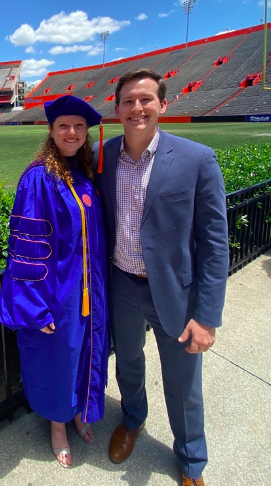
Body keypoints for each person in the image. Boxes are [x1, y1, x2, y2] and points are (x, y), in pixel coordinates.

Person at [93, 69, 229, 486]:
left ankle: (191, 461)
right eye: (129, 101)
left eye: (146, 99)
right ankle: (132, 419)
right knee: (129, 363)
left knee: (183, 382)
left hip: (173, 290)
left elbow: (215, 244)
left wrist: (207, 316)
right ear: (116, 109)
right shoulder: (103, 156)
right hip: (122, 284)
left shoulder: (196, 158)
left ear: (163, 105)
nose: (137, 108)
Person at [0, 95, 110, 468]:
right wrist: (34, 305)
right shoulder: (37, 178)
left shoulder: (83, 173)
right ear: (51, 130)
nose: (72, 132)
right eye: (64, 125)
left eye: (79, 126)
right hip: (58, 295)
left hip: (90, 290)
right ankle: (58, 427)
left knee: (84, 355)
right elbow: (25, 248)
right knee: (61, 361)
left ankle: (81, 410)